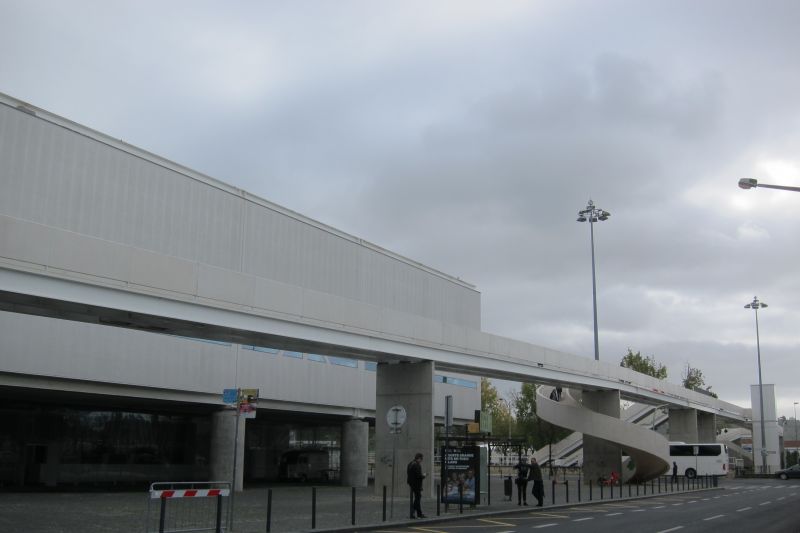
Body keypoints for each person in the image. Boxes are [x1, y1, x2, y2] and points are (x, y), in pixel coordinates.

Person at [406, 452, 426, 519]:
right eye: (421, 459)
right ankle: (413, 512)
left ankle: (419, 514)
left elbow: (409, 473)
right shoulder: (416, 465)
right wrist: (423, 476)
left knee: (418, 498)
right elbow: (418, 476)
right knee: (418, 498)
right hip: (416, 484)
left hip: (411, 483)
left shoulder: (410, 463)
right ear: (419, 458)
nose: (421, 461)